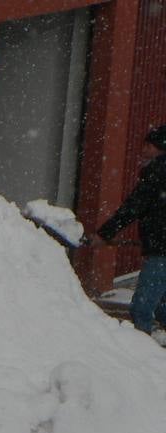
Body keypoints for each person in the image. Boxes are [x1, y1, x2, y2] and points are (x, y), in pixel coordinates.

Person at [91, 124, 166, 335]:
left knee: (142, 308)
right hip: (161, 248)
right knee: (160, 306)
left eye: (148, 145)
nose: (143, 149)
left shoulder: (158, 173)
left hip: (161, 251)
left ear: (159, 147)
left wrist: (104, 233)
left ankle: (140, 355)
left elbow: (133, 207)